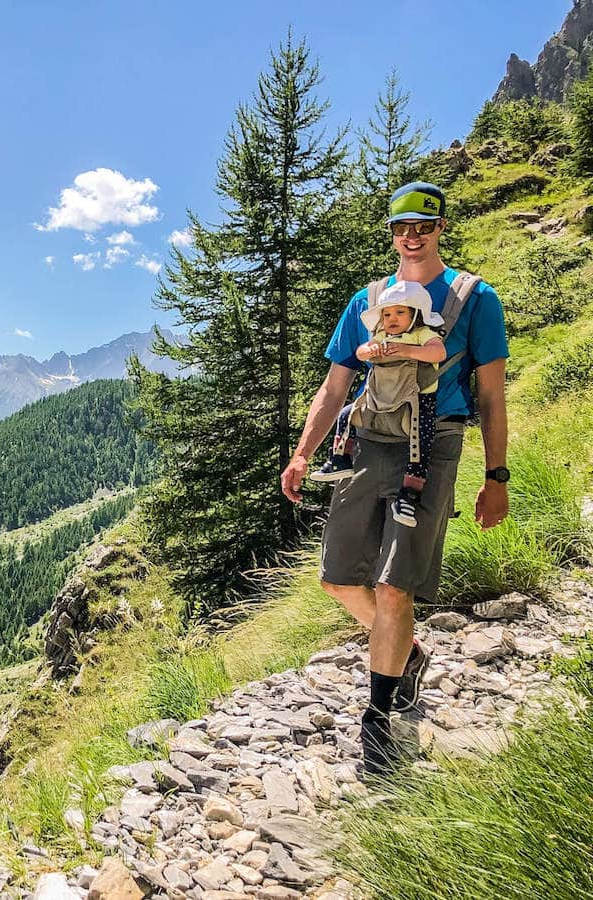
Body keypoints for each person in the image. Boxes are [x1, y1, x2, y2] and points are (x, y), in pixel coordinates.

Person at [280, 181, 510, 777]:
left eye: (423, 226)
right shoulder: (370, 298)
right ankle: (405, 651)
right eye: (401, 226)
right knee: (337, 578)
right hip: (364, 442)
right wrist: (303, 453)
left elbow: (491, 395)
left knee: (392, 587)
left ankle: (378, 719)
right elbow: (335, 386)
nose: (411, 236)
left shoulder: (474, 299)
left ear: (440, 229)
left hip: (434, 446)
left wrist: (496, 475)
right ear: (391, 231)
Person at [310, 280, 447, 529]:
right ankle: (340, 457)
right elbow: (360, 352)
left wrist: (406, 350)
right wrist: (371, 349)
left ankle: (410, 490)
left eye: (400, 312)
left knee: (421, 440)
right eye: (386, 313)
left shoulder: (422, 334)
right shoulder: (381, 335)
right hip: (380, 396)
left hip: (417, 398)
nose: (392, 318)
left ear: (416, 314)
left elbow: (438, 353)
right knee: (346, 414)